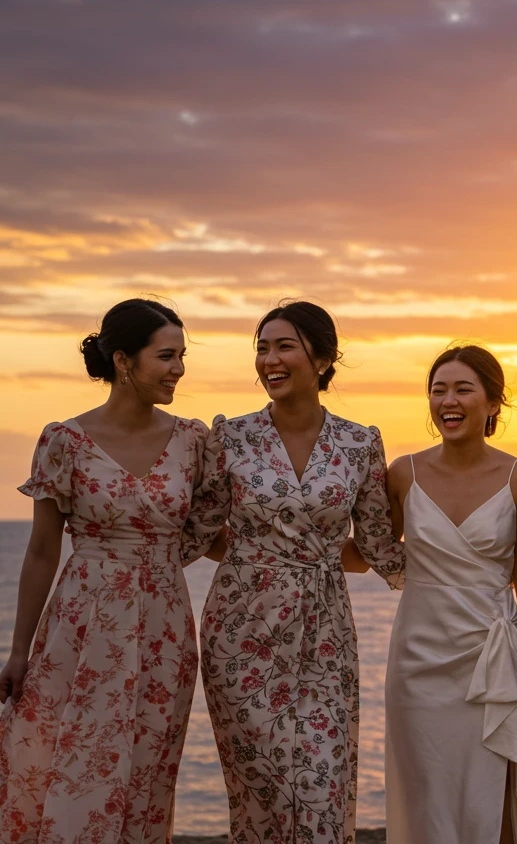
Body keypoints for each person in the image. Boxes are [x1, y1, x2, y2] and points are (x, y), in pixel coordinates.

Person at [0, 299, 210, 843]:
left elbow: (210, 532)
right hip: (83, 623)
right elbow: (40, 551)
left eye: (182, 357)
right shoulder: (65, 441)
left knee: (147, 767)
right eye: (167, 356)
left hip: (164, 628)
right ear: (124, 360)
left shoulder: (193, 441)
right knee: (65, 758)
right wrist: (17, 650)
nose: (179, 370)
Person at [184, 300, 405, 844]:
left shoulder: (360, 443)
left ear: (324, 360)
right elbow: (199, 530)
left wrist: (471, 572)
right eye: (261, 348)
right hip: (241, 633)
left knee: (322, 780)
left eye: (284, 346)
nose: (269, 360)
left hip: (325, 635)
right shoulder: (230, 437)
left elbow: (377, 543)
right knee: (261, 789)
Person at [384, 345, 517, 843]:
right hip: (417, 663)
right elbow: (370, 553)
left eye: (463, 388)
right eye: (438, 389)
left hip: (489, 659)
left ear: (493, 404)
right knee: (426, 791)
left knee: (494, 790)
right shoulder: (403, 474)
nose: (448, 399)